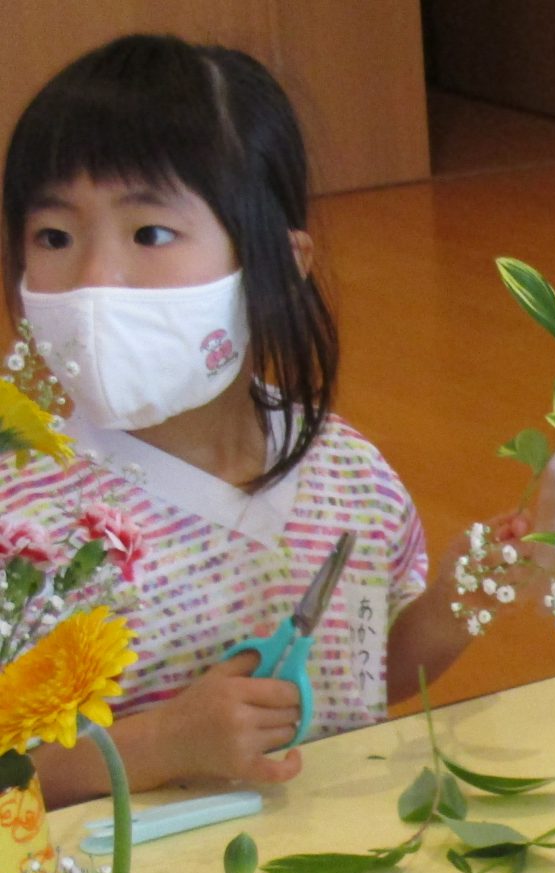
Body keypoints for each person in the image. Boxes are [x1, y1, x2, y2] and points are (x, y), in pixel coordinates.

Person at [0, 34, 521, 807]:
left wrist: (457, 602)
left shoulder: (350, 476)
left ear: (279, 264)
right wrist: (159, 745)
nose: (96, 280)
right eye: (54, 237)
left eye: (149, 233)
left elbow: (359, 670)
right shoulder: (22, 514)